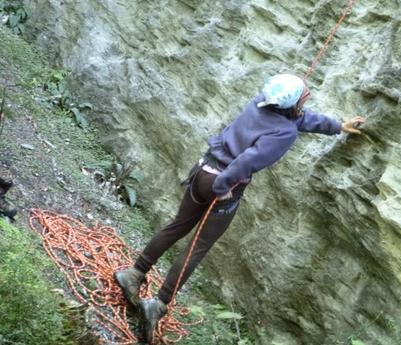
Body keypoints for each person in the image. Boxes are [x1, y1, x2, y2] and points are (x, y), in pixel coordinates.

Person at [114, 74, 365, 343]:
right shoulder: (285, 132)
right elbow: (247, 162)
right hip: (221, 184)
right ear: (292, 104)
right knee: (197, 248)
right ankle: (158, 304)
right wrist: (223, 189)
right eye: (304, 98)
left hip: (203, 170)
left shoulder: (259, 103)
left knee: (178, 225)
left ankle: (134, 273)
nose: (305, 101)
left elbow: (300, 118)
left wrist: (338, 126)